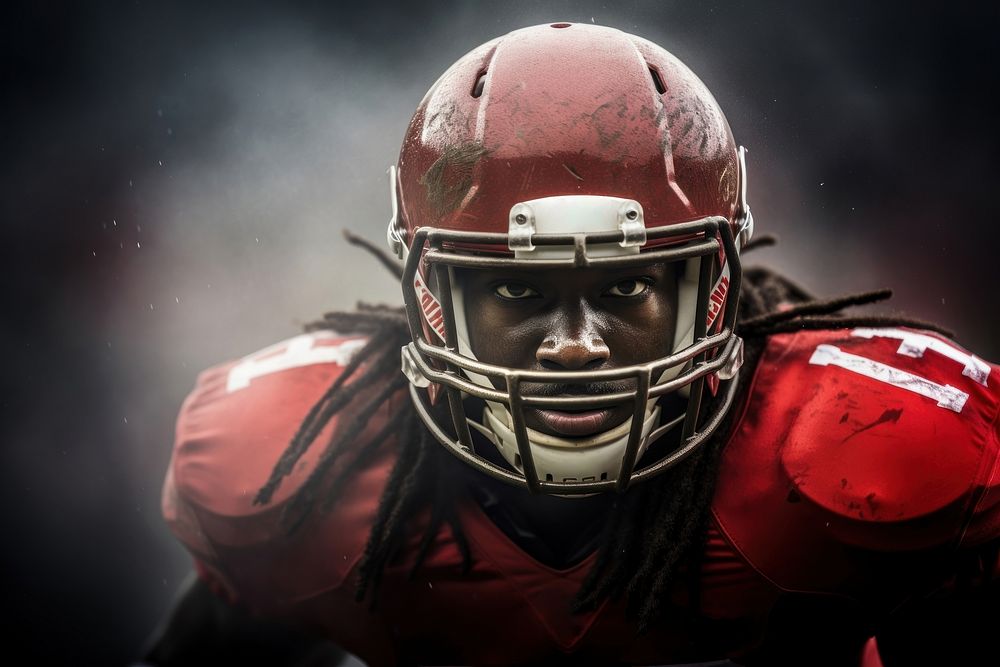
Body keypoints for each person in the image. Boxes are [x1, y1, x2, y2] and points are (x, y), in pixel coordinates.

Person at [144, 22, 999, 667]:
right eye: (519, 288)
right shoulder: (299, 481)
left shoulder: (866, 450)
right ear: (430, 298)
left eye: (626, 286)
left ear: (716, 288)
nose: (578, 347)